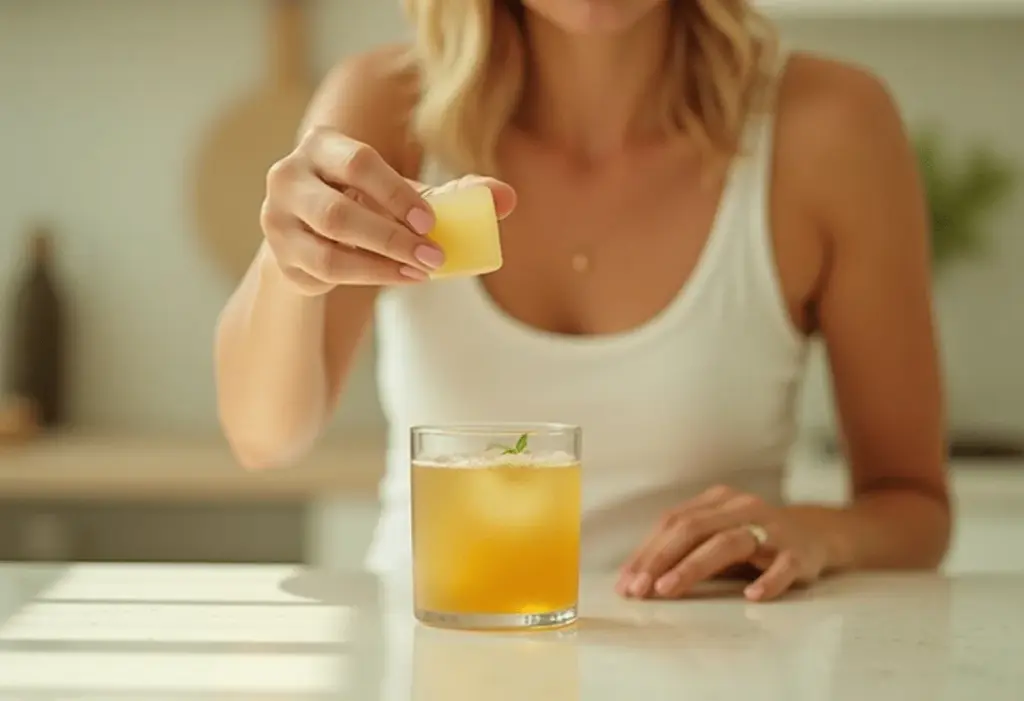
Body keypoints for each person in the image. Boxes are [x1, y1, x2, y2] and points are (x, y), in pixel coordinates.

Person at [214, 0, 951, 602]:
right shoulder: (382, 107)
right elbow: (264, 437)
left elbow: (913, 506)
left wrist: (816, 532)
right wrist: (289, 268)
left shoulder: (831, 126)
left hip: (718, 661)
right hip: (440, 650)